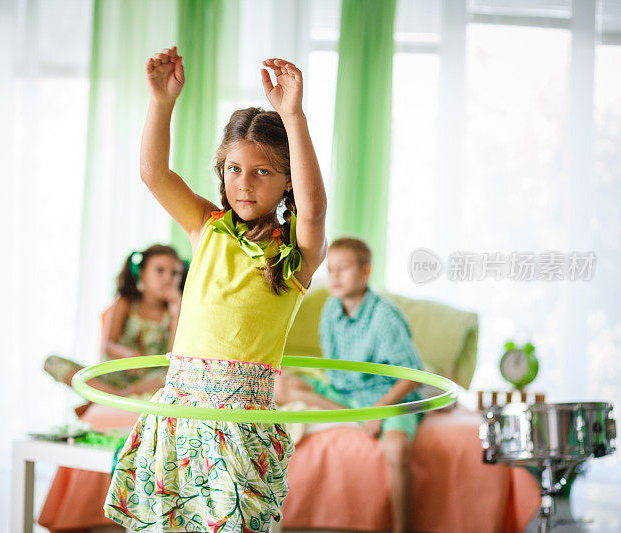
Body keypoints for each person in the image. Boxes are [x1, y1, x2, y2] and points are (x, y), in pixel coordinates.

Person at [102, 46, 327, 532]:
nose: (244, 184)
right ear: (222, 173)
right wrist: (161, 103)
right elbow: (153, 173)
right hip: (179, 413)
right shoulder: (206, 228)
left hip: (242, 428)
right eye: (234, 170)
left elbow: (312, 210)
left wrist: (294, 115)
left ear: (287, 180)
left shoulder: (295, 255)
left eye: (263, 172)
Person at [276, 237, 424, 533]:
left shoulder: (384, 316)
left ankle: (402, 527)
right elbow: (336, 372)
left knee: (396, 447)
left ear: (365, 272)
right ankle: (354, 416)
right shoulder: (331, 308)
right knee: (281, 386)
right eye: (331, 269)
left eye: (343, 269)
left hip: (385, 395)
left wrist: (378, 412)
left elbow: (411, 374)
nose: (335, 276)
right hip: (346, 394)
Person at [43, 244, 185, 397]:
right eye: (160, 271)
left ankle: (116, 396)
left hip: (149, 382)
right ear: (142, 273)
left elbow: (173, 359)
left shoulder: (175, 313)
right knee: (52, 362)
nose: (168, 279)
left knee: (180, 375)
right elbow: (108, 345)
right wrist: (127, 354)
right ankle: (119, 395)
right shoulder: (125, 303)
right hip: (113, 377)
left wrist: (177, 313)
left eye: (175, 273)